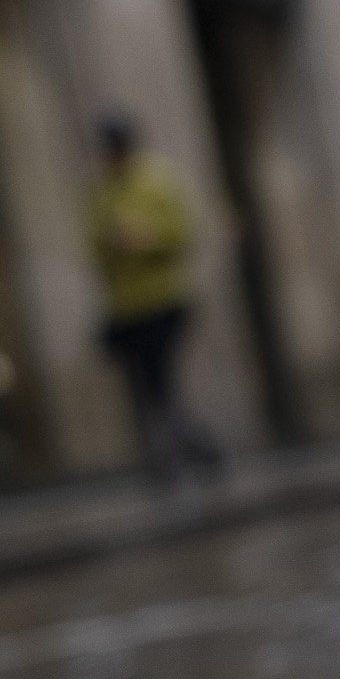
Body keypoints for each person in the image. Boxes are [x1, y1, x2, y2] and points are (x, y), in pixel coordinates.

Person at [86, 113, 220, 479]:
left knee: (160, 383)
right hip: (127, 306)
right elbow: (91, 242)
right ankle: (183, 454)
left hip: (164, 299)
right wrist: (112, 243)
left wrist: (146, 240)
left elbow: (183, 232)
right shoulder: (103, 190)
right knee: (150, 387)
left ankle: (188, 453)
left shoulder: (157, 181)